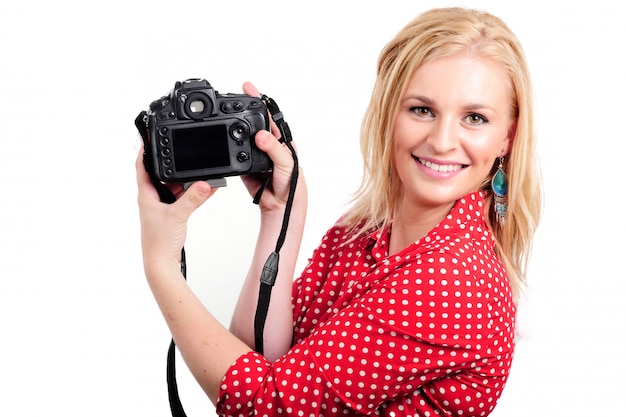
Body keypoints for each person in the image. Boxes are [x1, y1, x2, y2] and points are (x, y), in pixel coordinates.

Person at [136, 6, 542, 416]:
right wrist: (281, 213)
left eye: (474, 118)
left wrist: (161, 264)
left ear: (506, 138)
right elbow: (264, 358)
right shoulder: (365, 229)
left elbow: (263, 405)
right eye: (422, 109)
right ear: (388, 114)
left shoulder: (451, 279)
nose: (441, 141)